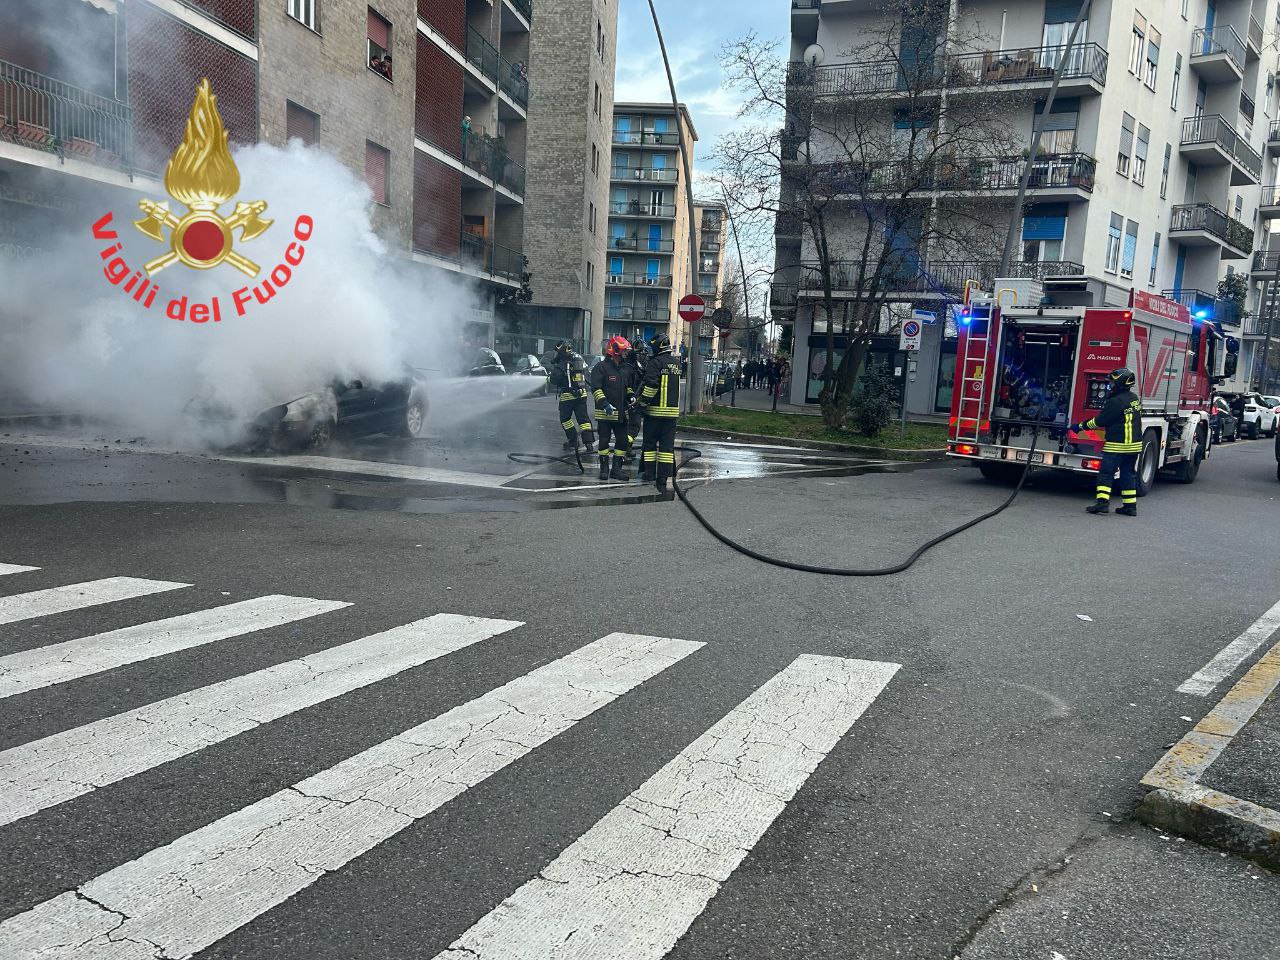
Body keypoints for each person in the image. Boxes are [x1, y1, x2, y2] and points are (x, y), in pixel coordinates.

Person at [1070, 367, 1143, 517]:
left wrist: (1080, 427)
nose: (1110, 385)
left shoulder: (1115, 402)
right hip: (1134, 446)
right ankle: (1130, 506)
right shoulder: (1134, 398)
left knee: (1106, 473)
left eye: (1112, 383)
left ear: (1121, 384)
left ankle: (1102, 504)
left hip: (1117, 445)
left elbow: (1100, 421)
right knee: (1128, 474)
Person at [638, 331, 681, 494]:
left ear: (658, 347)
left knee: (649, 445)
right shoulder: (676, 364)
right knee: (666, 447)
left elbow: (651, 386)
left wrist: (642, 403)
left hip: (654, 413)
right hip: (671, 415)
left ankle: (649, 473)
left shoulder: (655, 363)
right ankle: (663, 477)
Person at [591, 336, 636, 481]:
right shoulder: (601, 367)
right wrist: (604, 404)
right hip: (605, 413)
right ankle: (604, 469)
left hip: (621, 413)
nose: (625, 354)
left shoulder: (624, 368)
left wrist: (631, 396)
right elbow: (596, 389)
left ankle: (617, 470)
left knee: (622, 441)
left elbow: (627, 387)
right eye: (624, 351)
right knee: (604, 441)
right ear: (615, 350)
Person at [548, 341, 595, 454]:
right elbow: (587, 374)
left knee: (565, 419)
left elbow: (555, 379)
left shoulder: (563, 363)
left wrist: (548, 379)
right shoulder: (579, 359)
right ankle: (589, 444)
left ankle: (573, 441)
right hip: (582, 394)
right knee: (583, 419)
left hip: (568, 396)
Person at [625, 336, 649, 465]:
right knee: (633, 426)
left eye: (645, 353)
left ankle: (626, 449)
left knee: (632, 427)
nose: (644, 356)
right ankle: (624, 450)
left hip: (635, 400)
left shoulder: (640, 366)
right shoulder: (629, 367)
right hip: (630, 401)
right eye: (641, 353)